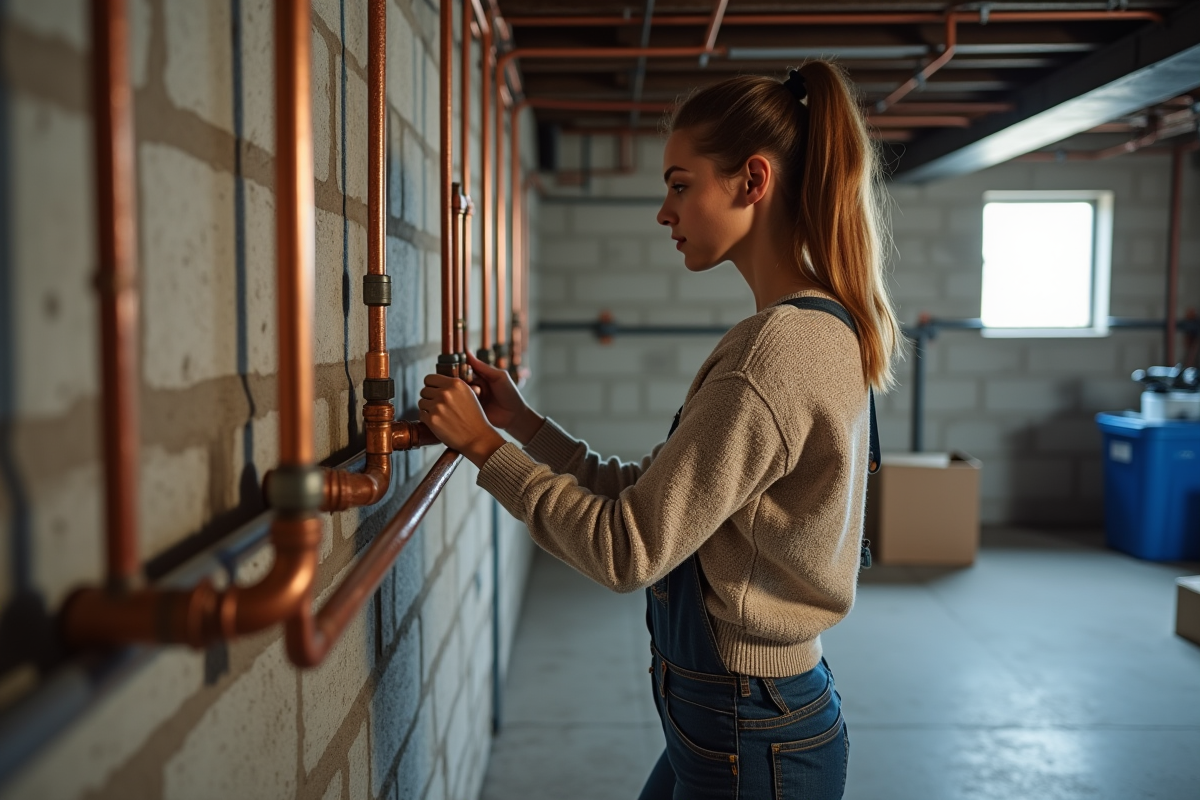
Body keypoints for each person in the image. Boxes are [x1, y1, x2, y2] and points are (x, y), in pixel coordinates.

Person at [418, 62, 901, 800]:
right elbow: (654, 496)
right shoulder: (813, 328)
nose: (664, 211)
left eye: (681, 184)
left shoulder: (773, 353)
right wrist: (522, 424)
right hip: (731, 718)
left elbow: (627, 547)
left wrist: (485, 449)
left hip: (751, 734)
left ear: (752, 181)